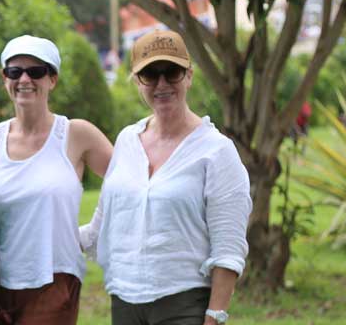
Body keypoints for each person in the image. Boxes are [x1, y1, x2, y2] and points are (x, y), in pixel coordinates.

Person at [80, 29, 252, 325]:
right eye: (150, 74)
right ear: (137, 81)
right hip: (124, 302)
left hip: (183, 305)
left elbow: (228, 248)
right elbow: (101, 225)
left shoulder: (216, 151)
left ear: (189, 75)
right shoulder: (127, 141)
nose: (161, 84)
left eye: (171, 72)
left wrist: (214, 317)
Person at [0, 35, 113, 324]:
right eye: (15, 71)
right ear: (4, 77)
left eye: (36, 71)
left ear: (52, 79)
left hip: (54, 279)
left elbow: (128, 183)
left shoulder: (76, 135)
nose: (24, 79)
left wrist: (91, 233)